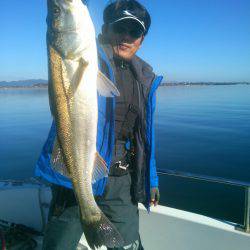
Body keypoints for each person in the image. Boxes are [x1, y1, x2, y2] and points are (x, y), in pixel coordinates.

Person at [36, 0, 162, 249]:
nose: (125, 36)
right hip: (75, 178)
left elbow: (143, 137)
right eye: (119, 28)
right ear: (104, 29)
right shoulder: (90, 55)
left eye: (134, 31)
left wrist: (153, 180)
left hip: (120, 180)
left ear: (142, 39)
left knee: (126, 245)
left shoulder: (144, 78)